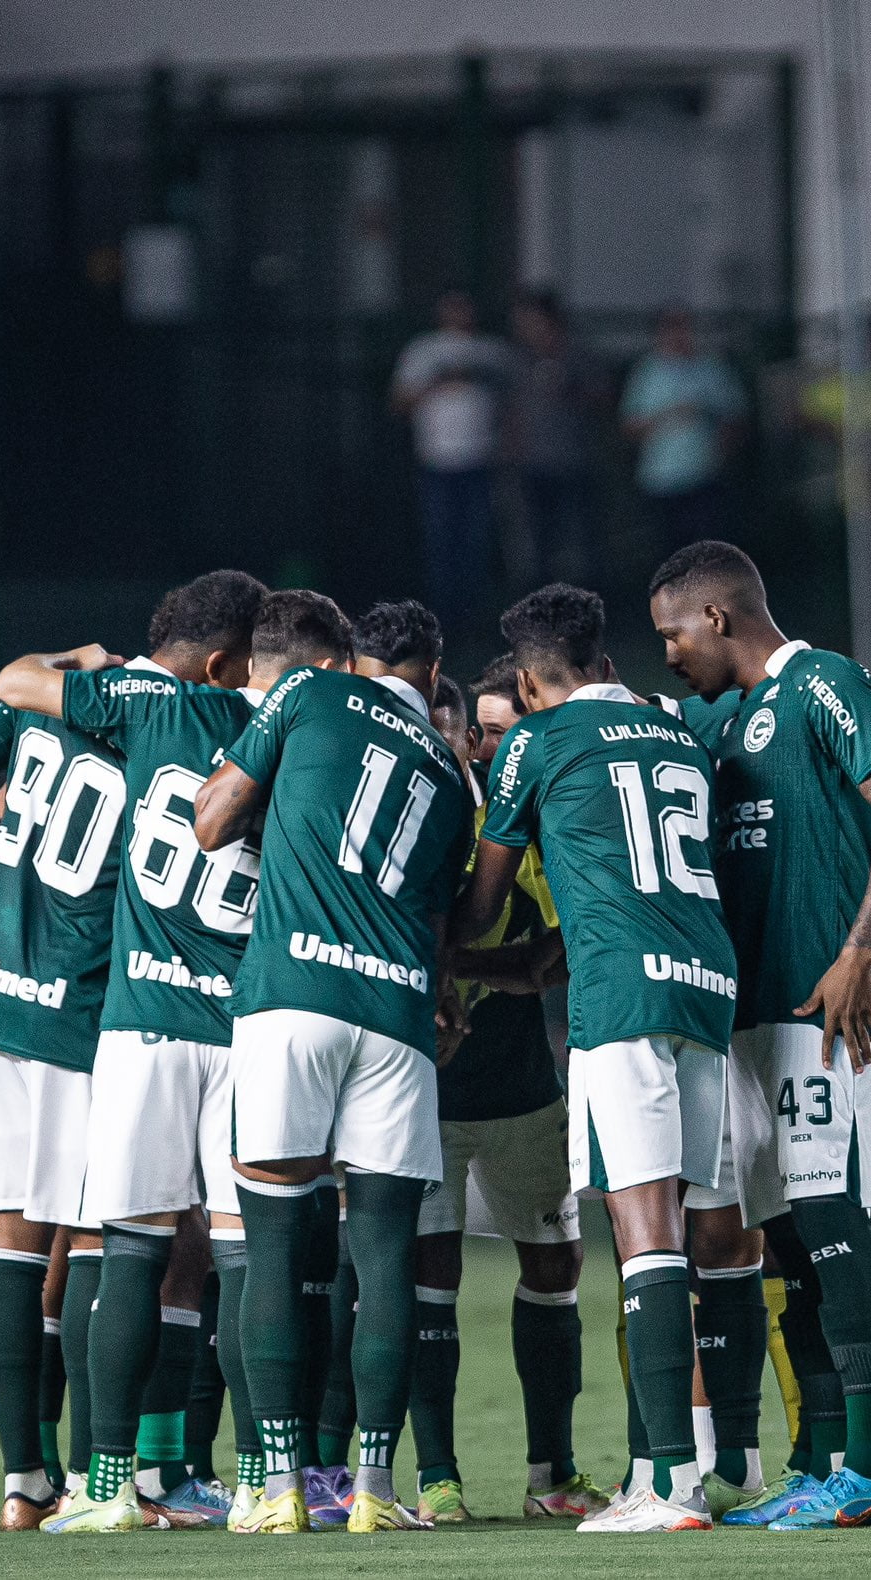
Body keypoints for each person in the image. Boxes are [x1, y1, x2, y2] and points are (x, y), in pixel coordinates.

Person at [647, 541, 871, 1532]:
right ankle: (819, 1465)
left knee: (829, 1214)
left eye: (672, 633)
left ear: (717, 617)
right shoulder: (712, 722)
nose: (668, 654)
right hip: (750, 1010)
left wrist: (860, 950)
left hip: (826, 1000)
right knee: (785, 1240)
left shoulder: (822, 681)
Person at [453, 583, 738, 1534]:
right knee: (687, 1235)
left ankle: (670, 1493)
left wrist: (429, 951)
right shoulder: (671, 724)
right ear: (607, 661)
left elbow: (490, 902)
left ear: (531, 682)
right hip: (705, 983)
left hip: (621, 996)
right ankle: (678, 1463)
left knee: (643, 1234)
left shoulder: (536, 740)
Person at [0, 569, 271, 1532]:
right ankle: (270, 1482)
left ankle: (104, 1486)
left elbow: (13, 683)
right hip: (241, 1027)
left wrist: (84, 660)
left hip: (141, 1023)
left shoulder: (141, 702)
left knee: (126, 1249)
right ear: (232, 662)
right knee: (242, 1257)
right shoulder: (273, 731)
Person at [194, 598, 473, 1535]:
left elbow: (211, 818)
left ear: (352, 660)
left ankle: (275, 1486)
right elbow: (450, 922)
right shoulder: (450, 768)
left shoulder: (309, 690)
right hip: (396, 1011)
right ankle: (377, 1490)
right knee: (386, 1248)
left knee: (272, 1242)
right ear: (431, 682)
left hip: (290, 995)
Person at [0, 658, 127, 1531]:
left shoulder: (32, 706)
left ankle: (20, 1481)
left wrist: (1, 841)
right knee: (86, 1236)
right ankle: (85, 1478)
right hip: (81, 1009)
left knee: (11, 1239)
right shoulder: (162, 722)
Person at [416, 674, 607, 1524]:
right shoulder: (420, 819)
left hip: (523, 1087)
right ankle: (436, 1478)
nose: (485, 749)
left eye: (497, 732)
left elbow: (557, 952)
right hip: (422, 1093)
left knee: (557, 1266)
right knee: (428, 1275)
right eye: (475, 734)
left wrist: (452, 972)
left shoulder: (536, 826)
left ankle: (551, 1474)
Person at [392, 293, 512, 629]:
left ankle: (478, 615)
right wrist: (436, 383)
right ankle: (444, 616)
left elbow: (513, 401)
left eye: (465, 306)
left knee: (478, 539)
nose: (459, 313)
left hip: (481, 459)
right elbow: (399, 401)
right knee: (440, 539)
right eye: (452, 306)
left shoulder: (492, 352)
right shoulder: (423, 351)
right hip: (437, 461)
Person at [620, 307, 746, 549]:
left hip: (705, 477)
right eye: (672, 329)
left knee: (707, 553)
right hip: (660, 480)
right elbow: (629, 426)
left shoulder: (712, 369)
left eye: (684, 328)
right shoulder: (646, 374)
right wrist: (665, 417)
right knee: (670, 553)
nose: (679, 336)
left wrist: (718, 437)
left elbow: (736, 419)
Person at [506, 289, 606, 584]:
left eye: (531, 320)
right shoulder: (519, 359)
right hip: (531, 463)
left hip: (573, 459)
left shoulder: (577, 353)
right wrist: (511, 447)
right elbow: (513, 407)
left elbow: (602, 397)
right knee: (537, 541)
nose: (526, 328)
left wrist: (571, 392)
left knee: (580, 539)